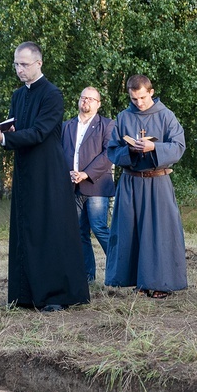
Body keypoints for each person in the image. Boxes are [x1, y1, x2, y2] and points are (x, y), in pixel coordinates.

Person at [0, 41, 89, 312]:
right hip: (25, 168)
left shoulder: (53, 94)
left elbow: (40, 132)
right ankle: (25, 294)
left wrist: (4, 137)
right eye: (16, 64)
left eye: (24, 64)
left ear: (39, 63)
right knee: (25, 226)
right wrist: (2, 131)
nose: (19, 69)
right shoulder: (18, 95)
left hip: (48, 171)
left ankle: (54, 295)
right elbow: (16, 126)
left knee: (48, 229)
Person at [105, 75, 187, 298]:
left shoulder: (166, 116)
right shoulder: (123, 117)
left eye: (142, 97)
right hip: (131, 182)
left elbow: (179, 146)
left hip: (158, 181)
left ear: (151, 92)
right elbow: (111, 151)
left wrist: (154, 147)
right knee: (130, 231)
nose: (139, 103)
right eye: (134, 98)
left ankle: (161, 283)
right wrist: (129, 150)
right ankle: (137, 282)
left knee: (159, 232)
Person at [62, 87, 116, 282]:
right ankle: (87, 276)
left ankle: (119, 270)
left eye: (91, 99)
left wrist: (86, 173)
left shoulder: (107, 125)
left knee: (99, 227)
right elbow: (60, 153)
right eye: (83, 97)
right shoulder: (66, 126)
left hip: (97, 186)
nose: (86, 101)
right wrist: (66, 172)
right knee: (79, 232)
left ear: (98, 104)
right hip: (73, 186)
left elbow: (108, 154)